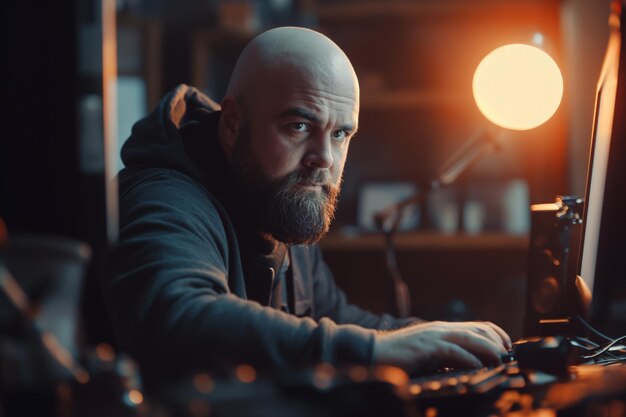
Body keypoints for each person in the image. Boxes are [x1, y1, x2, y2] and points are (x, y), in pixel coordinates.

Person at [102, 26, 511, 379]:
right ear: (232, 123)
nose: (325, 159)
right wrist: (369, 352)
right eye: (299, 126)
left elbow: (333, 319)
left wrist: (438, 338)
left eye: (340, 135)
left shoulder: (277, 202)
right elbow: (178, 314)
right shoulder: (166, 197)